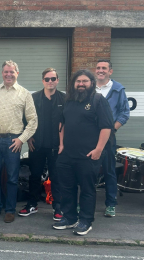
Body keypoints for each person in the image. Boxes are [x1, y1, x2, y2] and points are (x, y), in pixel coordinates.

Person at [53, 69, 114, 236]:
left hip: (88, 155)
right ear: (73, 84)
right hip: (67, 154)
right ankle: (70, 218)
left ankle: (86, 221)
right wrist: (61, 145)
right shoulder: (69, 101)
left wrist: (98, 150)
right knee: (67, 188)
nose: (81, 84)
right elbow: (62, 123)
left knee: (87, 190)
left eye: (84, 81)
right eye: (78, 81)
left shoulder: (98, 100)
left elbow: (106, 127)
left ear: (91, 83)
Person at [0, 60, 37, 223]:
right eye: (6, 71)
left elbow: (33, 120)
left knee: (13, 178)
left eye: (12, 72)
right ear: (2, 73)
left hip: (13, 142)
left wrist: (21, 139)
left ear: (17, 73)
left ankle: (10, 210)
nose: (8, 74)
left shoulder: (24, 93)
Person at [20, 68, 65, 221]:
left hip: (56, 146)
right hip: (37, 145)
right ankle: (32, 204)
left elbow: (66, 122)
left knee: (56, 177)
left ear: (57, 80)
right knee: (34, 176)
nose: (50, 81)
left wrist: (63, 143)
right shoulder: (34, 98)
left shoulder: (64, 99)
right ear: (43, 81)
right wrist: (28, 138)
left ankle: (58, 207)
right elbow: (26, 120)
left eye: (53, 79)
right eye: (47, 79)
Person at [95, 60, 130, 218]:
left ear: (110, 71)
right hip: (89, 137)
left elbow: (124, 113)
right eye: (98, 68)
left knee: (109, 171)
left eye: (104, 68)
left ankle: (110, 204)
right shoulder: (90, 87)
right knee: (88, 171)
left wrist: (112, 129)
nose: (100, 70)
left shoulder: (117, 89)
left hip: (108, 138)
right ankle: (85, 202)